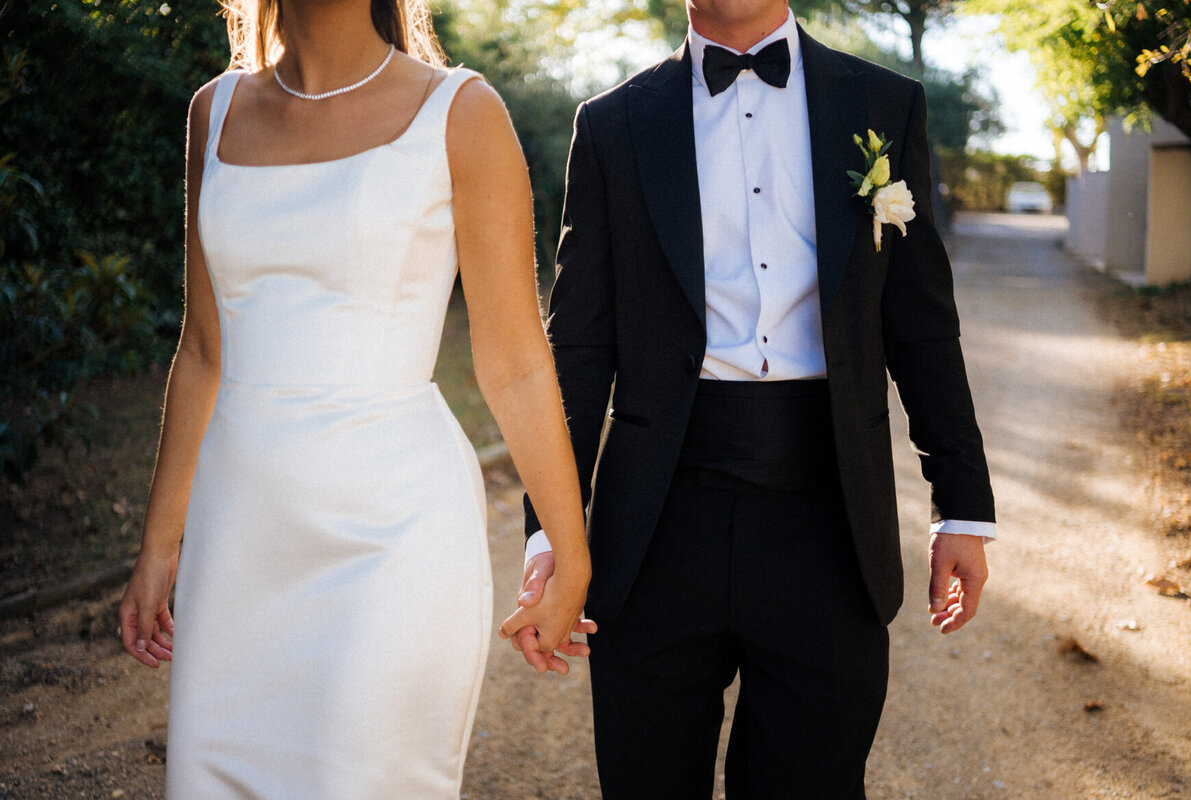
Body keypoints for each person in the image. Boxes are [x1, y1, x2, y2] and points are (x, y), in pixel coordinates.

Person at [512, 0, 996, 797]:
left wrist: (962, 508)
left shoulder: (883, 103)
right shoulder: (611, 123)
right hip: (656, 526)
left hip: (830, 522)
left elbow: (920, 324)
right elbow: (579, 346)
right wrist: (550, 534)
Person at [117, 1, 592, 796]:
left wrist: (569, 557)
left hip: (394, 536)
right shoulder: (215, 111)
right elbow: (202, 349)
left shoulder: (462, 112)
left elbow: (514, 363)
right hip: (240, 540)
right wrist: (159, 545)